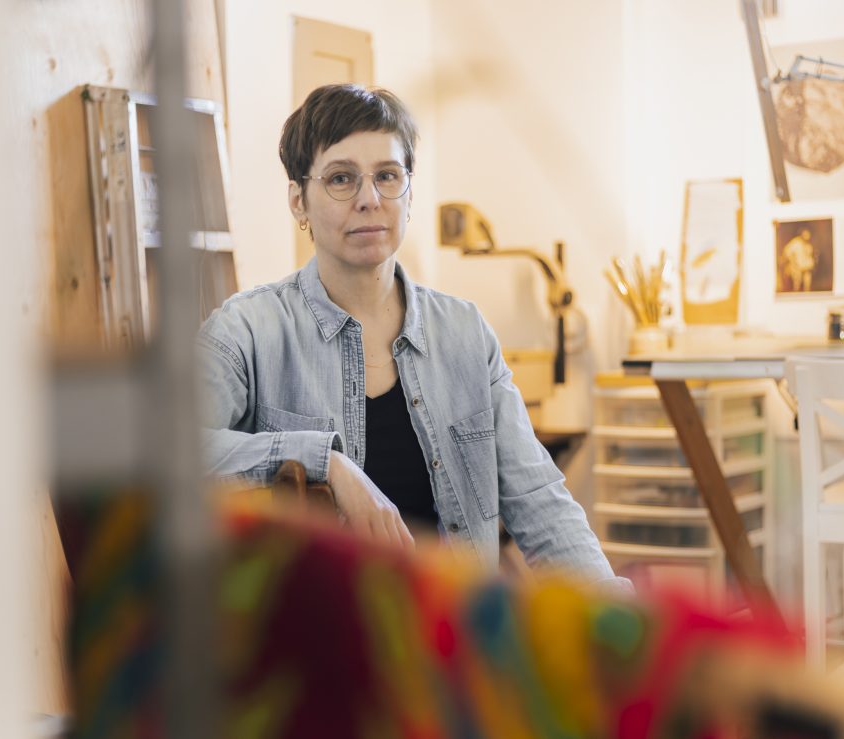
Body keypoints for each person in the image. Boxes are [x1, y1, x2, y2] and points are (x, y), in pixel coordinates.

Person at [199, 84, 625, 587]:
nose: (369, 200)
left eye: (387, 176)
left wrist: (617, 614)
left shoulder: (465, 332)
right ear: (299, 201)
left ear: (409, 192)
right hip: (321, 629)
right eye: (341, 178)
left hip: (453, 623)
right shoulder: (248, 330)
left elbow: (539, 500)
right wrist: (325, 462)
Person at [781, 228, 815, 292]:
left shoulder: (808, 244)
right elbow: (787, 251)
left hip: (805, 264)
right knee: (797, 281)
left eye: (808, 234)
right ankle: (796, 291)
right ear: (801, 234)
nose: (807, 236)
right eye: (805, 234)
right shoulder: (795, 242)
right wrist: (792, 261)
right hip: (796, 265)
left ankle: (807, 291)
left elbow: (810, 254)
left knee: (807, 278)